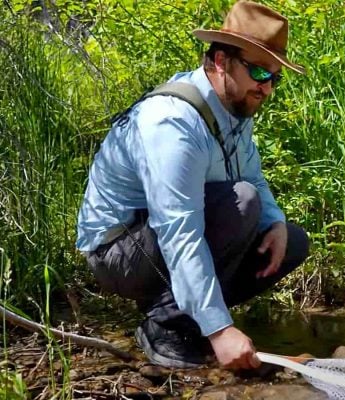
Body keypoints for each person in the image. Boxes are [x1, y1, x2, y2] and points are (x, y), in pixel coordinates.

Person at [76, 0, 309, 370]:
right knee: (241, 204)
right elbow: (178, 231)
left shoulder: (235, 105)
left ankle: (191, 315)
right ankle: (165, 325)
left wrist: (276, 221)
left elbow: (252, 175)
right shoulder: (172, 123)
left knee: (290, 240)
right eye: (260, 73)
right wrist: (220, 330)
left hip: (157, 241)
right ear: (220, 61)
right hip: (118, 252)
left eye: (275, 78)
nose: (267, 89)